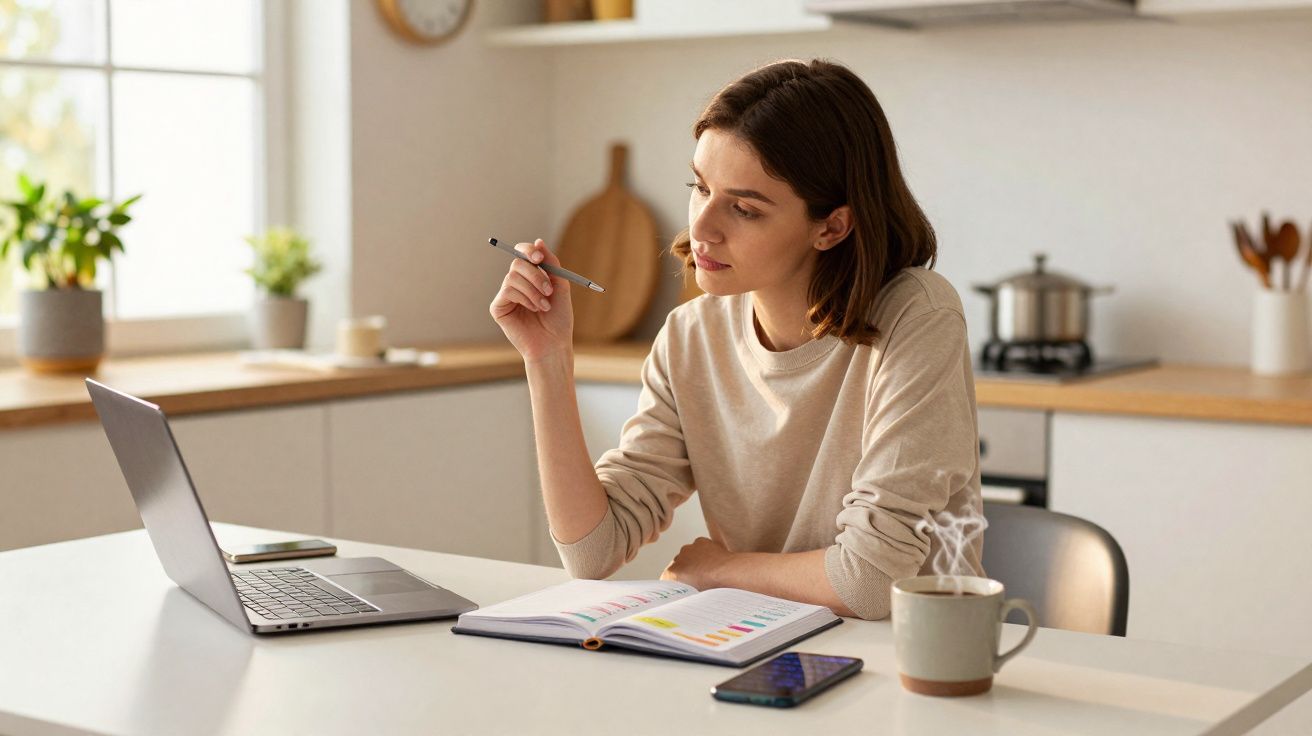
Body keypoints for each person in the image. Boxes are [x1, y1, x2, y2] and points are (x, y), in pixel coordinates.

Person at [488, 58, 982, 620]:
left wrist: (722, 570)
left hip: (917, 661)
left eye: (744, 208)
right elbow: (592, 549)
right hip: (761, 642)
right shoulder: (691, 335)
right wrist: (547, 359)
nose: (700, 227)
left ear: (832, 227)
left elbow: (871, 582)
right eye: (700, 188)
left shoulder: (917, 315)